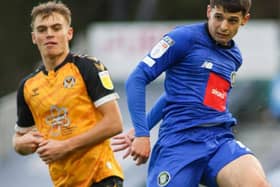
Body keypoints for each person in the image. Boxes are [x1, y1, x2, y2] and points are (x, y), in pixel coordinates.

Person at [114, 0, 272, 186]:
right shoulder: (183, 38)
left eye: (232, 20)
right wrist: (142, 132)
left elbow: (178, 94)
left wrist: (145, 125)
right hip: (179, 143)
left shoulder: (234, 57)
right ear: (208, 11)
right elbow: (137, 78)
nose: (223, 26)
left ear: (244, 20)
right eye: (218, 17)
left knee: (255, 183)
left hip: (219, 140)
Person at [12, 1, 124, 187]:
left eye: (56, 28)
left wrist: (65, 146)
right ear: (34, 37)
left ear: (69, 33)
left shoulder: (87, 67)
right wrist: (20, 145)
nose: (49, 34)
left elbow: (114, 123)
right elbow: (18, 138)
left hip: (101, 177)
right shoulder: (28, 86)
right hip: (64, 182)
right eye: (42, 29)